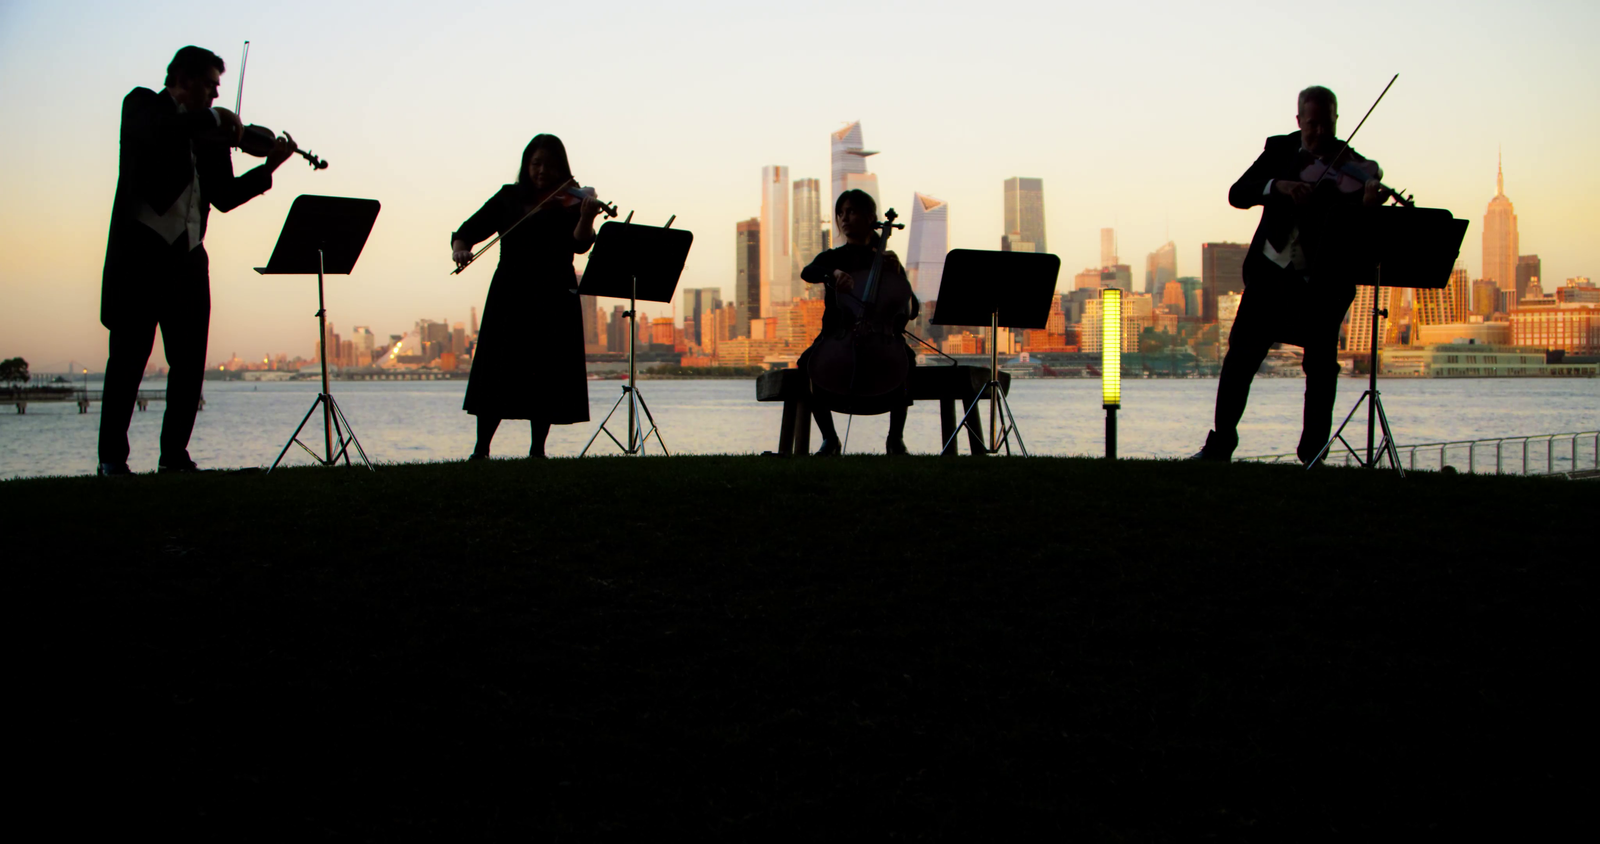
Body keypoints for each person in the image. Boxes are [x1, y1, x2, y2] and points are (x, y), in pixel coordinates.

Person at [97, 46, 298, 476]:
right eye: (209, 85)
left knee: (188, 364)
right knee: (128, 361)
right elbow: (161, 132)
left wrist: (269, 170)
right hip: (140, 254)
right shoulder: (142, 106)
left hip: (188, 257)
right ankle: (112, 460)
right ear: (182, 80)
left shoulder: (211, 136)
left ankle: (174, 456)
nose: (215, 95)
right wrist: (216, 122)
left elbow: (222, 197)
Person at [1193, 85, 1389, 464]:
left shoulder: (1354, 165)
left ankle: (1312, 454)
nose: (1319, 133)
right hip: (1270, 272)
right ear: (1299, 121)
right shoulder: (1279, 150)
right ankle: (1221, 445)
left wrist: (1365, 203)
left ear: (1336, 121)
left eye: (1326, 124)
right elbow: (1239, 192)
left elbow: (1356, 222)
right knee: (1240, 361)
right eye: (1311, 124)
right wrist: (1277, 186)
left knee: (1321, 369)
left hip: (1320, 281)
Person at [451, 135, 607, 459]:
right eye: (536, 164)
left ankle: (538, 451)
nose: (541, 171)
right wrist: (461, 250)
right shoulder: (508, 197)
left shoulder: (573, 201)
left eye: (549, 165)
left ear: (560, 168)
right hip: (510, 290)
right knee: (497, 369)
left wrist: (587, 217)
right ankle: (481, 449)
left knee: (546, 370)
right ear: (526, 165)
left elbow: (579, 244)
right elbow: (467, 230)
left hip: (554, 292)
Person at [797, 189, 917, 456]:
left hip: (882, 337)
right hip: (837, 335)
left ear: (870, 216)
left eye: (851, 211)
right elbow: (808, 272)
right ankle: (830, 438)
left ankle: (895, 439)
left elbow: (912, 308)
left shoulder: (886, 260)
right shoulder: (833, 257)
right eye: (841, 213)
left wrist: (898, 275)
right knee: (806, 364)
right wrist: (833, 273)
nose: (844, 218)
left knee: (907, 360)